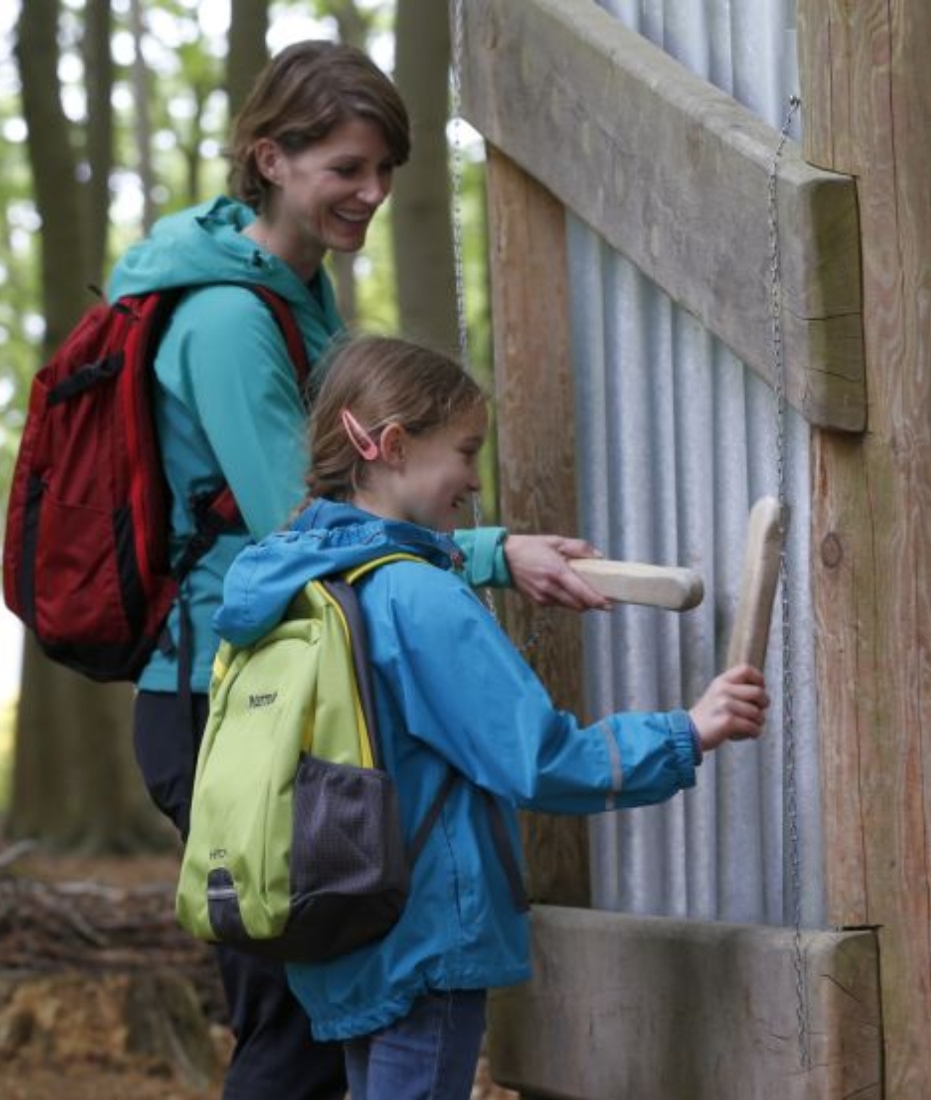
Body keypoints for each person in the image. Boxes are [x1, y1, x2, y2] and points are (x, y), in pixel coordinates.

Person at [103, 40, 610, 1100]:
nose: (372, 193)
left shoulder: (299, 294)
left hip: (292, 692)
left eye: (385, 170)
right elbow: (307, 522)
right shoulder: (230, 321)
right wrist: (486, 551)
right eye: (345, 167)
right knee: (293, 1029)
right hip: (226, 704)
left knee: (330, 1018)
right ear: (269, 159)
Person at [211, 335, 771, 1100]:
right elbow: (538, 760)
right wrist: (688, 730)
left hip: (339, 925)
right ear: (395, 445)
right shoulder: (417, 597)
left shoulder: (294, 587)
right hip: (426, 931)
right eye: (466, 451)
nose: (474, 482)